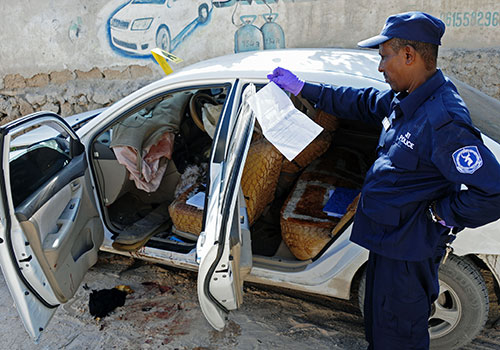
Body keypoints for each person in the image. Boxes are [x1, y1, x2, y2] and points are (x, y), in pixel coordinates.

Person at [268, 11, 500, 350]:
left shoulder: (443, 120)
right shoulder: (408, 97)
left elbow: (493, 191)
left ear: (409, 55)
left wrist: (441, 215)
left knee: (399, 338)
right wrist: (305, 88)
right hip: (387, 244)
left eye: (383, 57)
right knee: (381, 332)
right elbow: (360, 101)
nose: (380, 67)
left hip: (407, 253)